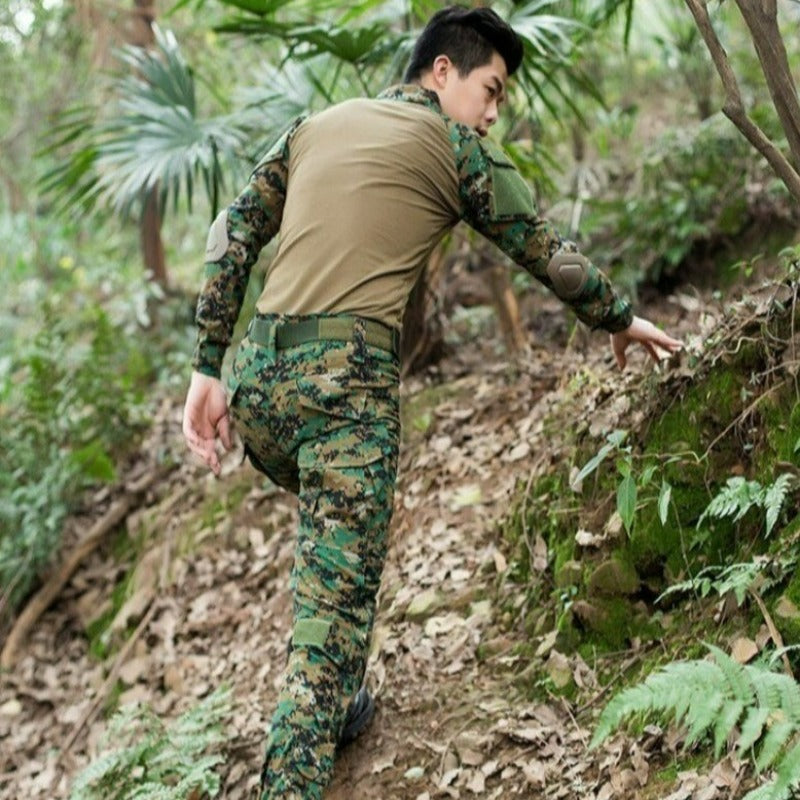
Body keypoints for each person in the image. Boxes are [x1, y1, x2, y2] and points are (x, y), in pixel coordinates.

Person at [182, 6, 683, 798]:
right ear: (441, 71)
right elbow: (542, 248)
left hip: (259, 390)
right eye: (491, 89)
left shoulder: (315, 127)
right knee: (327, 621)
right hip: (344, 394)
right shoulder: (454, 147)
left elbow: (230, 230)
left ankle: (341, 686)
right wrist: (619, 318)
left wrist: (207, 366)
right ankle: (309, 729)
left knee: (335, 548)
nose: (493, 112)